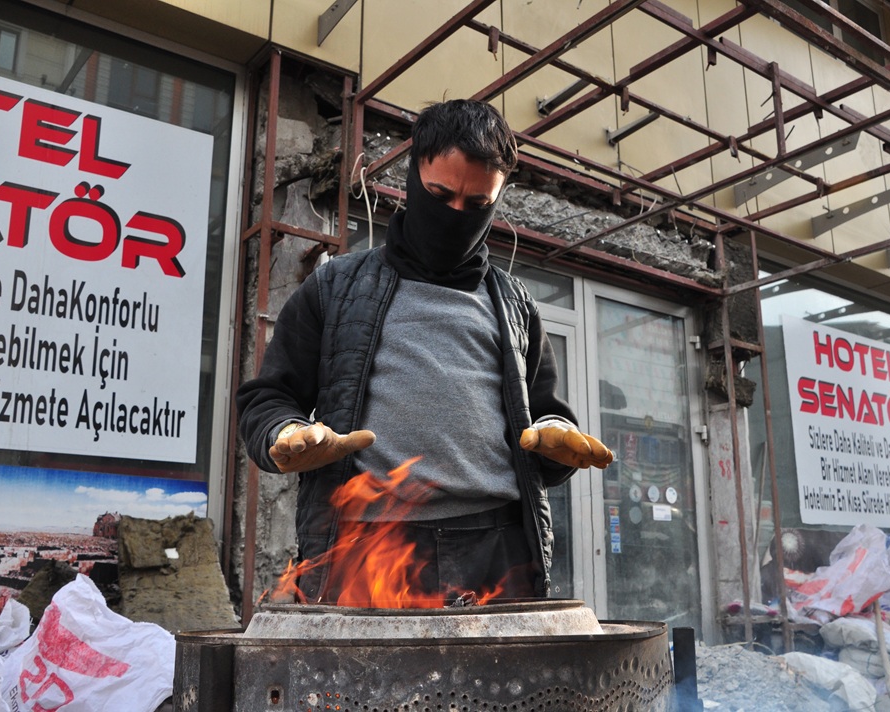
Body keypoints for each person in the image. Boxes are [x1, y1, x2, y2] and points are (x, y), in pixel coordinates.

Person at [237, 99, 613, 605]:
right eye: (440, 195)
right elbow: (267, 398)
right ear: (413, 176)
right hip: (366, 544)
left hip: (496, 550)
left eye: (477, 206)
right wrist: (284, 434)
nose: (455, 214)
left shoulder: (516, 306)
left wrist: (558, 442)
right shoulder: (336, 289)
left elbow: (543, 417)